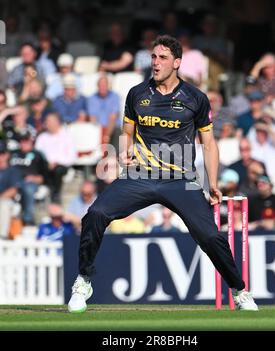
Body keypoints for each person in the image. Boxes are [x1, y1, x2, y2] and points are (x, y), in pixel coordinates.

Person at [68, 35, 258, 313]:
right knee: (95, 214)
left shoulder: (196, 98)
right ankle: (83, 280)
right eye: (154, 57)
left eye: (163, 58)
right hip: (140, 176)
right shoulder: (137, 94)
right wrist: (125, 150)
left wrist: (213, 183)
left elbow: (209, 143)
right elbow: (127, 132)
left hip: (181, 180)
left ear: (177, 63)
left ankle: (240, 291)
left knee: (210, 237)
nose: (155, 63)